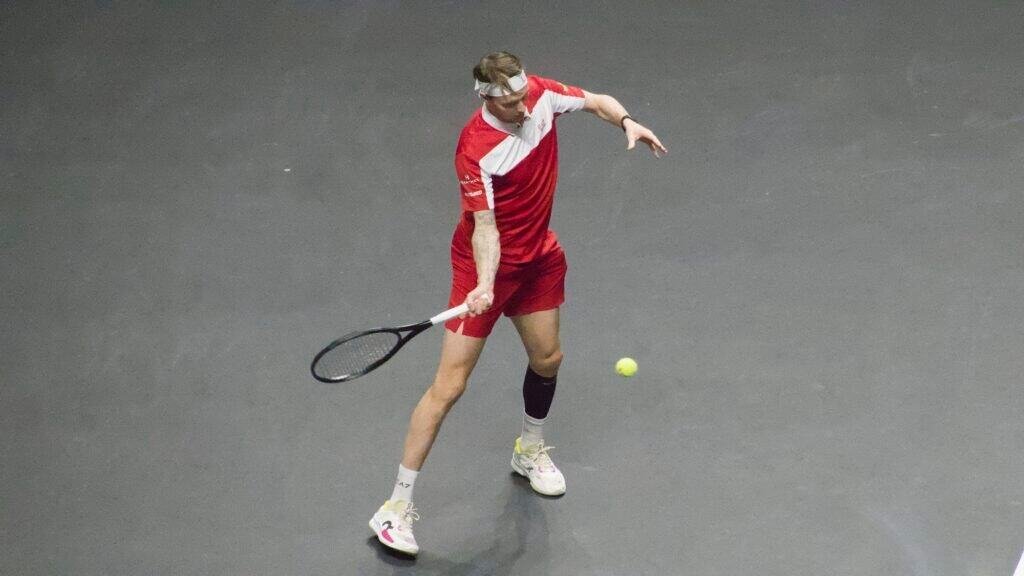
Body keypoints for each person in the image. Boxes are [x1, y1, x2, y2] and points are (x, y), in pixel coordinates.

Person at [369, 51, 667, 556]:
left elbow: (596, 101)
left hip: (538, 258)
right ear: (486, 98)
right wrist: (484, 283)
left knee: (548, 358)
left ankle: (529, 450)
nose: (519, 106)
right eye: (506, 102)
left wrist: (627, 122)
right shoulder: (475, 147)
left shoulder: (541, 94)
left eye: (521, 94)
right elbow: (484, 227)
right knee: (449, 386)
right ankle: (394, 508)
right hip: (485, 269)